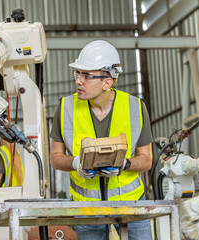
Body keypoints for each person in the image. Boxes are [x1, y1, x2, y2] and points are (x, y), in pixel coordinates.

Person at [49, 40, 153, 240]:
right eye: (78, 74)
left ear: (108, 82)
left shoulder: (136, 107)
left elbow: (146, 159)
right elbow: (55, 157)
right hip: (87, 207)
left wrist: (125, 164)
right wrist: (76, 162)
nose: (79, 81)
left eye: (86, 76)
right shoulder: (65, 108)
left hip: (131, 204)